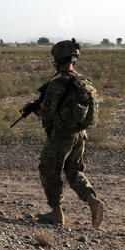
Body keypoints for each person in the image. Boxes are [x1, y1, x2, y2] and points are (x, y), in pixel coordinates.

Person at [35, 38, 104, 229]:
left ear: (58, 59)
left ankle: (56, 213)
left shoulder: (58, 83)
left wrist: (35, 110)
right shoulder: (84, 81)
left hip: (62, 136)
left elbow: (48, 114)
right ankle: (92, 200)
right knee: (74, 170)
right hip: (80, 135)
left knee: (48, 170)